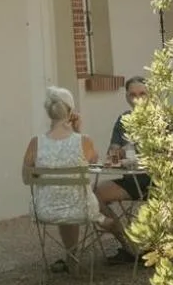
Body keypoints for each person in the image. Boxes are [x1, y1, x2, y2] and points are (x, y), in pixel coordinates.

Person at [21, 86, 115, 272]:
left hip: (45, 210)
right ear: (71, 112)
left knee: (67, 204)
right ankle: (130, 245)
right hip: (82, 209)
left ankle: (72, 259)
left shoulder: (36, 142)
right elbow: (94, 162)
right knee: (107, 217)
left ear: (49, 112)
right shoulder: (83, 141)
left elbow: (26, 178)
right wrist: (78, 131)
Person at [96, 75, 151, 264]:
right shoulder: (123, 120)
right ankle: (129, 245)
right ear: (127, 97)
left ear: (150, 95)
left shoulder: (162, 119)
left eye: (142, 94)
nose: (137, 99)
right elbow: (112, 154)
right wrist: (121, 150)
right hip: (131, 180)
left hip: (158, 181)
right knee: (95, 195)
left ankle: (158, 248)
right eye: (132, 95)